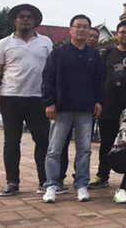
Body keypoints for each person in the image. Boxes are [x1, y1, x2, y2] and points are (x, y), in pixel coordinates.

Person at [0, 4, 53, 196]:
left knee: (42, 140)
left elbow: (52, 70)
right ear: (14, 20)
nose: (25, 19)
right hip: (11, 97)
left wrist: (53, 97)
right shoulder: (4, 43)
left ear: (35, 21)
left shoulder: (46, 42)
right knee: (11, 141)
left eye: (29, 17)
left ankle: (45, 181)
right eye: (21, 16)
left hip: (38, 98)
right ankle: (12, 182)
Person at [41, 14, 105, 204]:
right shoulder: (59, 53)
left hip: (85, 109)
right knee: (54, 149)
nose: (81, 30)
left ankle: (81, 184)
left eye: (85, 26)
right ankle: (51, 184)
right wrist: (49, 102)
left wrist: (99, 101)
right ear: (70, 30)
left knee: (84, 150)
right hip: (62, 108)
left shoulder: (94, 55)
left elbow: (100, 80)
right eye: (78, 26)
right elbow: (47, 78)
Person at [89, 21, 126, 190]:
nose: (125, 35)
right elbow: (100, 78)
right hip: (109, 106)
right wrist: (98, 101)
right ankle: (102, 175)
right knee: (106, 143)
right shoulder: (108, 53)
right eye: (122, 32)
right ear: (117, 34)